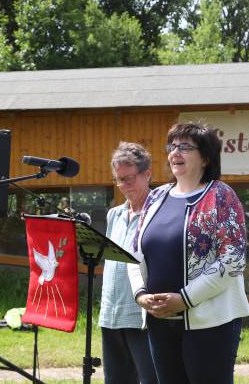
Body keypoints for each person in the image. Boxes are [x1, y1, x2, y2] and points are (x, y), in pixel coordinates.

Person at [128, 122, 249, 384]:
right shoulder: (155, 197)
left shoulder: (221, 196)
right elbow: (133, 253)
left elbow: (233, 260)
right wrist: (141, 295)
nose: (175, 153)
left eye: (184, 147)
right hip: (159, 323)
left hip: (210, 325)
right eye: (172, 146)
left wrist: (184, 299)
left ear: (205, 158)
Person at [98, 142, 157, 384]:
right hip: (111, 314)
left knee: (150, 379)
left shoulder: (160, 211)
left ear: (147, 174)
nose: (124, 186)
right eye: (119, 180)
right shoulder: (115, 214)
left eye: (129, 178)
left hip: (141, 316)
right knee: (115, 380)